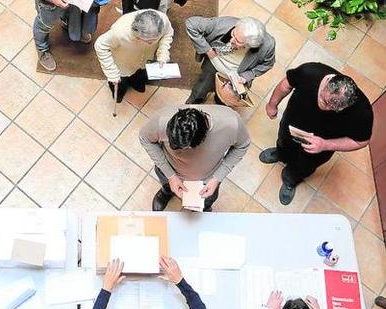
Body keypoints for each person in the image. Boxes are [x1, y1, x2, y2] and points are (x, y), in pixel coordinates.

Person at [259, 62, 373, 205]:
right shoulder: (310, 73)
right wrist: (272, 104)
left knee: (304, 165)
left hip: (319, 147)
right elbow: (286, 84)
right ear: (326, 83)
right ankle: (280, 153)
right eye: (325, 102)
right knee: (283, 141)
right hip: (291, 125)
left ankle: (290, 179)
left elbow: (361, 141)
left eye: (335, 109)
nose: (328, 109)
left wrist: (325, 145)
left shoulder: (362, 113)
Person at [139, 105, 250, 212]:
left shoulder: (232, 123)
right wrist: (170, 175)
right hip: (169, 171)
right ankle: (166, 192)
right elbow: (145, 138)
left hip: (208, 180)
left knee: (208, 200)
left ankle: (204, 208)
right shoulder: (162, 119)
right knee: (166, 186)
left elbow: (242, 145)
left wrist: (217, 178)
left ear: (201, 141)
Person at [185, 16, 275, 104]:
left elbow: (267, 64)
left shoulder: (268, 46)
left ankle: (220, 101)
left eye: (238, 41)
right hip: (214, 63)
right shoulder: (224, 24)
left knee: (226, 99)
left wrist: (247, 75)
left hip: (237, 76)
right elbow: (191, 24)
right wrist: (207, 50)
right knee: (201, 88)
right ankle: (194, 102)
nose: (232, 40)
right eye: (233, 34)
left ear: (250, 45)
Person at [95, 9, 173, 103]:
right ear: (136, 33)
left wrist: (163, 53)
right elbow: (100, 45)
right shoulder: (119, 32)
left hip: (144, 62)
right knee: (120, 87)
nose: (152, 43)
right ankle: (119, 93)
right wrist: (112, 73)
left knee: (140, 78)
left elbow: (167, 34)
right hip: (122, 66)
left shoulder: (163, 20)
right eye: (148, 41)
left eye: (154, 40)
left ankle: (136, 83)